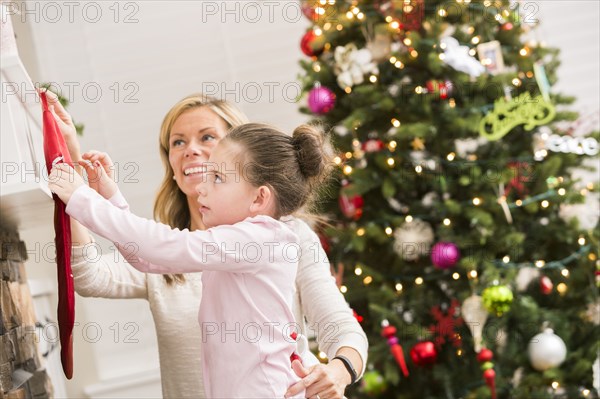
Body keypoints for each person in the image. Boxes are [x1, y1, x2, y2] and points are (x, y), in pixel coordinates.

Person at [46, 90, 368, 398]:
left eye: (209, 142)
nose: (192, 153)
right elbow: (145, 254)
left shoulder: (262, 237)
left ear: (259, 196)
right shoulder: (211, 242)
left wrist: (83, 198)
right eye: (178, 142)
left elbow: (160, 247)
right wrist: (101, 191)